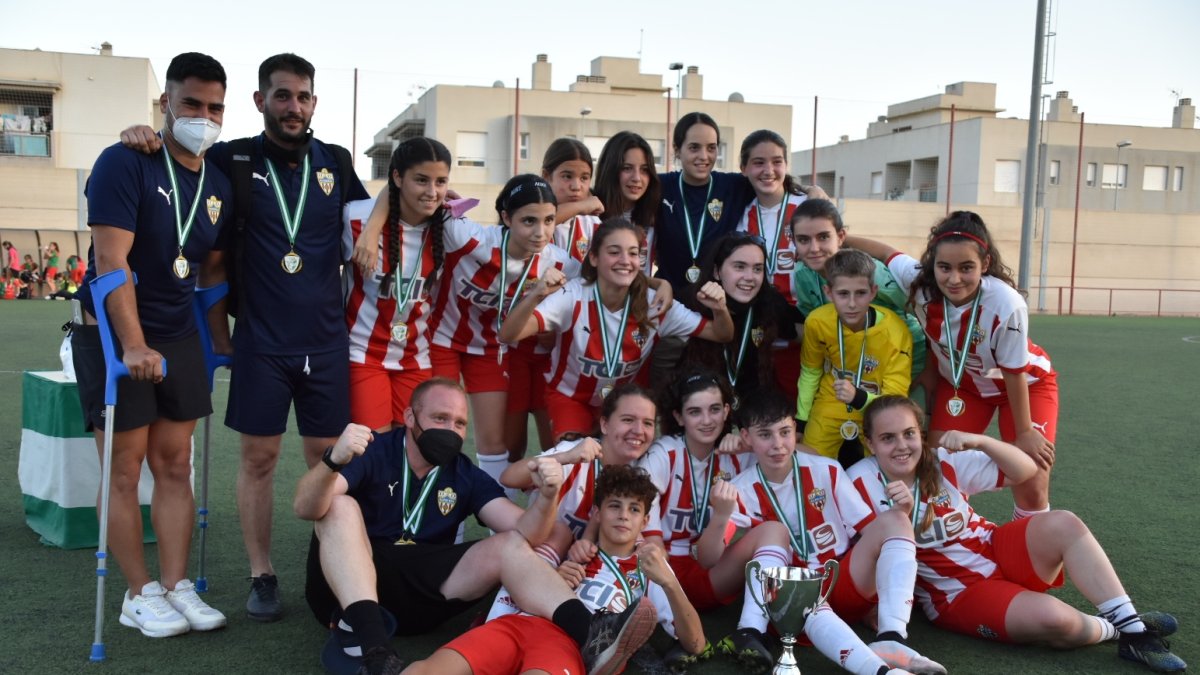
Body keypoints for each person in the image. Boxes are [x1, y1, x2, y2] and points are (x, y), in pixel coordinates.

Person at [121, 53, 371, 620]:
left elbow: (375, 211)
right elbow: (174, 165)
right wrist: (142, 134)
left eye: (303, 96)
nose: (294, 106)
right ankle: (262, 573)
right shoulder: (230, 157)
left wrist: (377, 228)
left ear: (313, 103)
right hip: (259, 338)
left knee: (325, 458)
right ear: (261, 102)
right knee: (259, 458)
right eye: (282, 95)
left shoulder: (334, 160)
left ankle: (326, 563)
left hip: (327, 339)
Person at [294, 378, 655, 675]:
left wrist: (547, 496)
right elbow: (305, 507)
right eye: (440, 418)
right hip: (346, 592)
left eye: (459, 423)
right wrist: (332, 461)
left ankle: (592, 635)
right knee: (337, 505)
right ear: (409, 417)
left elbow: (525, 533)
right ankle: (375, 651)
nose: (451, 430)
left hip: (419, 597)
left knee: (509, 545)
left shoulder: (462, 472)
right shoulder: (377, 451)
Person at [70, 51, 230, 639]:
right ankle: (137, 595)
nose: (204, 116)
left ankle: (175, 583)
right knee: (123, 468)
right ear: (166, 102)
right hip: (113, 334)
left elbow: (211, 267)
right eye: (191, 103)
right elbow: (110, 262)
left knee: (174, 464)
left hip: (178, 333)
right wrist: (133, 345)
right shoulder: (124, 160)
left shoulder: (216, 178)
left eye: (215, 107)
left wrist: (219, 340)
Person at [850, 396, 1185, 673]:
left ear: (920, 435)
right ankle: (1117, 628)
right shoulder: (856, 483)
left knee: (1063, 522)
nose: (901, 446)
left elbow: (1025, 470)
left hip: (996, 548)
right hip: (956, 593)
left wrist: (982, 441)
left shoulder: (940, 461)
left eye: (909, 434)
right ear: (870, 443)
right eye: (887, 437)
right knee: (1056, 621)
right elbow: (859, 555)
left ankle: (1135, 634)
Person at [701, 389, 945, 675]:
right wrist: (720, 515)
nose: (778, 444)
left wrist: (902, 512)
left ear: (795, 431)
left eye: (784, 432)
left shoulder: (827, 469)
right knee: (803, 594)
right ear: (746, 438)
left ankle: (892, 638)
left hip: (842, 579)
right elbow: (708, 559)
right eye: (765, 435)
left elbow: (871, 532)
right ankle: (881, 672)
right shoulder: (740, 488)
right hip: (793, 598)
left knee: (895, 521)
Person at [846, 211, 1057, 520]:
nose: (954, 278)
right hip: (963, 387)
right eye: (944, 267)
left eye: (966, 268)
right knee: (933, 467)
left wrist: (1024, 432)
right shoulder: (920, 282)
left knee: (1032, 479)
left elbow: (1014, 372)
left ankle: (1033, 555)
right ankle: (952, 544)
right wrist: (838, 238)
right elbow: (884, 251)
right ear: (933, 264)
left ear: (984, 265)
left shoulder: (1006, 303)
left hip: (1026, 385)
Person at [446, 464, 705, 675]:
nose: (624, 515)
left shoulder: (649, 568)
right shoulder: (569, 549)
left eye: (634, 509)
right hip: (523, 625)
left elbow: (696, 643)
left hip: (570, 647)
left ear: (645, 520)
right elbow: (516, 587)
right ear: (597, 513)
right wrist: (553, 581)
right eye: (614, 505)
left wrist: (669, 583)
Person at [498, 217, 732, 439]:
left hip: (627, 402)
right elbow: (508, 334)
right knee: (575, 465)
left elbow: (721, 333)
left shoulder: (655, 303)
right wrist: (536, 294)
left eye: (633, 253)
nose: (625, 260)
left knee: (624, 471)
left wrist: (720, 308)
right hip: (570, 398)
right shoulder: (573, 296)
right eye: (614, 252)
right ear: (593, 258)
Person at [425, 173, 579, 490]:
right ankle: (437, 516)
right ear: (506, 218)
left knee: (495, 446)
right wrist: (443, 201)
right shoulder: (468, 237)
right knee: (438, 434)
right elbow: (420, 204)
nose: (541, 232)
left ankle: (499, 522)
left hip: (491, 350)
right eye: (529, 221)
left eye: (549, 220)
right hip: (441, 341)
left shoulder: (563, 265)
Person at [635, 369, 755, 668]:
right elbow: (639, 505)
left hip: (709, 571)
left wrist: (753, 443)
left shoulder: (739, 454)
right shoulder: (665, 452)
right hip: (661, 568)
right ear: (678, 417)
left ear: (727, 411)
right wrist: (655, 552)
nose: (707, 420)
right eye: (695, 412)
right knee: (645, 552)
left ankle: (753, 633)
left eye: (715, 410)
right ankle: (681, 638)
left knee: (772, 531)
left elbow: (801, 454)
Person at [342, 138, 451, 432]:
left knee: (415, 453)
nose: (432, 192)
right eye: (421, 180)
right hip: (362, 356)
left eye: (440, 181)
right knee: (373, 453)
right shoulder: (354, 220)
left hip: (416, 359)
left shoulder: (451, 225)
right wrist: (373, 226)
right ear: (397, 177)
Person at [798, 249, 913, 468]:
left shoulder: (895, 332)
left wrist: (859, 398)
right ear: (828, 292)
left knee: (891, 461)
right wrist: (801, 421)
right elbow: (811, 371)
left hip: (876, 406)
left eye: (860, 293)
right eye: (843, 294)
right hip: (831, 399)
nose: (852, 304)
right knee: (808, 463)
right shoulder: (817, 322)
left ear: (873, 292)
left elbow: (895, 397)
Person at [790, 198, 925, 382]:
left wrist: (929, 372)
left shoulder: (869, 271)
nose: (814, 248)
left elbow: (924, 316)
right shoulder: (802, 275)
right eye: (803, 240)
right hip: (855, 372)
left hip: (907, 367)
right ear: (793, 241)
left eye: (823, 237)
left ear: (841, 237)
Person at [736, 130, 810, 402]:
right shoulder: (741, 213)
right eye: (758, 162)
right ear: (743, 168)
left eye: (777, 161)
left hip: (804, 334)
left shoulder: (809, 206)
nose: (769, 170)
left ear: (786, 166)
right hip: (759, 335)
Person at [679, 232, 795, 404]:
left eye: (757, 269)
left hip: (754, 413)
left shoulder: (770, 302)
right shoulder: (689, 303)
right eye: (739, 267)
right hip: (704, 412)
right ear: (717, 271)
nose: (749, 277)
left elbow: (805, 331)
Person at [591, 131, 660, 274]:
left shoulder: (654, 217)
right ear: (610, 169)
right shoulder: (590, 214)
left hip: (639, 295)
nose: (637, 178)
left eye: (644, 170)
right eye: (627, 168)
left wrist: (659, 284)